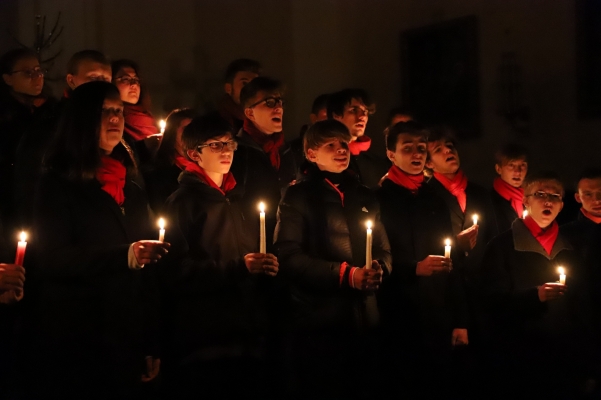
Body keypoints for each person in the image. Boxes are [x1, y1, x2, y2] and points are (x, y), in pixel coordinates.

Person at [27, 81, 169, 398]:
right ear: (82, 118)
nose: (116, 119)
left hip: (127, 334)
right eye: (105, 111)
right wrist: (125, 256)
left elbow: (148, 274)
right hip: (80, 337)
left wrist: (150, 342)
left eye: (119, 111)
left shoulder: (130, 181)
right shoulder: (58, 183)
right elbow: (52, 258)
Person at [160, 112, 278, 398]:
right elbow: (176, 270)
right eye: (215, 145)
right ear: (193, 154)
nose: (226, 151)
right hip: (205, 337)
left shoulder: (237, 198)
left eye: (229, 144)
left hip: (248, 332)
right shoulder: (182, 202)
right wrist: (240, 267)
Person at [274, 119, 391, 399]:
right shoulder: (298, 196)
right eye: (331, 145)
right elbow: (288, 255)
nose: (341, 150)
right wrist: (346, 275)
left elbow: (384, 250)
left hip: (364, 319)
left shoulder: (364, 195)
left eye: (343, 144)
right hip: (319, 320)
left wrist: (379, 269)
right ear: (311, 154)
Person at [479, 172, 596, 398]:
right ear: (526, 200)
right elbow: (490, 302)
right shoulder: (502, 246)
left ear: (562, 206)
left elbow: (582, 306)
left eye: (555, 196)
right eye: (540, 194)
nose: (548, 201)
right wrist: (535, 297)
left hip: (564, 357)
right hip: (519, 356)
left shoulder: (570, 249)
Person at [377, 121, 468, 398]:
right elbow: (375, 255)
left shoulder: (434, 197)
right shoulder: (379, 198)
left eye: (420, 148)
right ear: (391, 155)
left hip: (437, 312)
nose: (417, 154)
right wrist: (413, 269)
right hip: (397, 313)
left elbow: (451, 261)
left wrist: (459, 319)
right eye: (408, 148)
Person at [13, 50, 111, 230]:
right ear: (71, 80)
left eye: (105, 80)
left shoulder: (116, 124)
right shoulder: (53, 125)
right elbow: (31, 184)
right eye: (93, 78)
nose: (100, 86)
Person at [0, 48, 56, 235]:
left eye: (38, 70)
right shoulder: (6, 117)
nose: (37, 77)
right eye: (27, 73)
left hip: (46, 198)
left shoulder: (50, 111)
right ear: (8, 79)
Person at [230, 76, 289, 249]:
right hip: (252, 246)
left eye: (280, 102)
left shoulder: (286, 150)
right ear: (250, 112)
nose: (278, 108)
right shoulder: (237, 152)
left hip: (284, 244)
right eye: (270, 103)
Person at [327, 88, 389, 188]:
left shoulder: (377, 165)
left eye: (366, 111)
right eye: (354, 110)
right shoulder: (322, 160)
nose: (362, 116)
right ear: (336, 115)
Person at [145, 108, 196, 214]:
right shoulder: (159, 174)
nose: (192, 134)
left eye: (194, 129)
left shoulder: (205, 165)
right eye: (186, 129)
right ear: (172, 133)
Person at [112, 59, 159, 169]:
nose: (133, 84)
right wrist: (145, 146)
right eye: (125, 79)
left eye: (136, 80)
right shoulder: (111, 119)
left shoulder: (148, 119)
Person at [491, 143, 529, 233]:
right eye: (511, 165)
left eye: (522, 165)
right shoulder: (489, 202)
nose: (518, 171)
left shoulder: (531, 200)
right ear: (498, 169)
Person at [217, 58, 261, 133]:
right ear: (229, 88)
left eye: (255, 84)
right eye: (244, 83)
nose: (251, 89)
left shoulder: (263, 121)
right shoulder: (217, 123)